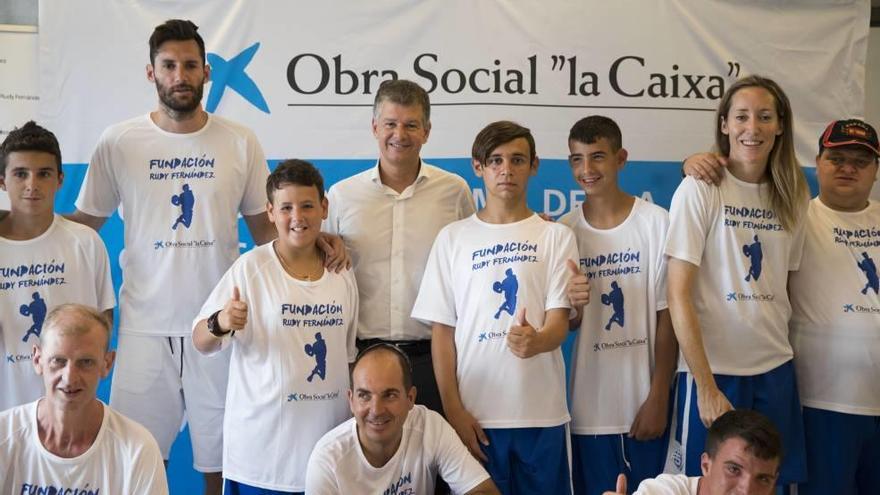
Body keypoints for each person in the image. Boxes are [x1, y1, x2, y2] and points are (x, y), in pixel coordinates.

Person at [67, 19, 281, 492]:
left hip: (219, 325)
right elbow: (84, 226)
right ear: (151, 73)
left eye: (189, 65)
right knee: (136, 462)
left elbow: (267, 230)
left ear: (206, 72)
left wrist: (317, 242)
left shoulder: (240, 141)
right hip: (144, 327)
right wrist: (16, 234)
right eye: (169, 66)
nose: (179, 75)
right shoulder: (119, 142)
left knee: (223, 464)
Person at [412, 121, 579, 494]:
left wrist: (536, 342)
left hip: (542, 414)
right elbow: (442, 332)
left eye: (517, 160)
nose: (507, 170)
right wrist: (453, 410)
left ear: (534, 165)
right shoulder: (453, 239)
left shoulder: (556, 236)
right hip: (476, 419)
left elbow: (558, 324)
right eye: (496, 160)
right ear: (478, 167)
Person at [664, 75, 810, 487]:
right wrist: (705, 386)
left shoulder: (794, 193)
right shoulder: (700, 187)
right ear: (725, 124)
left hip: (774, 368)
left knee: (767, 484)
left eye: (765, 117)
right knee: (706, 485)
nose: (753, 127)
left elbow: (788, 290)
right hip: (714, 370)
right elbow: (678, 294)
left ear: (780, 125)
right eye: (742, 116)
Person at [192, 159, 358, 494]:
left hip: (327, 460)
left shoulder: (341, 271)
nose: (298, 217)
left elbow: (348, 358)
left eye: (308, 205)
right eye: (286, 208)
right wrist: (221, 322)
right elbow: (200, 339)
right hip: (261, 462)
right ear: (270, 212)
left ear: (324, 207)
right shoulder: (251, 267)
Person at [323, 79, 475, 415]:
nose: (399, 134)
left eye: (411, 125)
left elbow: (478, 259)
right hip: (361, 359)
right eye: (390, 124)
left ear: (427, 130)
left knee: (433, 465)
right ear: (375, 127)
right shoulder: (342, 196)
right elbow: (315, 262)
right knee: (368, 465)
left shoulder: (455, 192)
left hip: (433, 360)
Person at [559, 115, 677, 494]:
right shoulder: (563, 232)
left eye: (597, 157)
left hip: (647, 404)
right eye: (577, 159)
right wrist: (573, 308)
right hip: (589, 410)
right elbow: (568, 324)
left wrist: (659, 395)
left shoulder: (657, 223)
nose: (587, 169)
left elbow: (669, 318)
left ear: (621, 158)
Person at [0, 121, 115, 412]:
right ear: (3, 181)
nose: (32, 185)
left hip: (70, 407)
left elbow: (103, 320)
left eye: (44, 174)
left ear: (60, 180)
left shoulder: (86, 242)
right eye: (20, 174)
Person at [0, 304, 168, 494]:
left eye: (85, 362)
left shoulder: (137, 449)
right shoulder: (4, 435)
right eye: (58, 361)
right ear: (37, 360)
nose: (70, 378)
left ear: (107, 363)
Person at [305, 343, 500, 495]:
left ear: (410, 399)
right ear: (351, 400)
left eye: (389, 395)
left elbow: (485, 490)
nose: (376, 410)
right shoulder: (327, 459)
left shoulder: (431, 426)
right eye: (364, 395)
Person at [603, 409, 783, 495]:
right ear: (706, 465)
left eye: (763, 479)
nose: (747, 490)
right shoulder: (667, 491)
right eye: (734, 469)